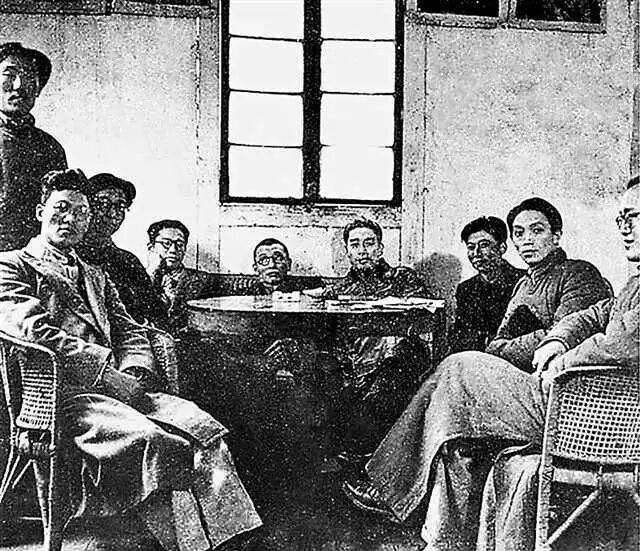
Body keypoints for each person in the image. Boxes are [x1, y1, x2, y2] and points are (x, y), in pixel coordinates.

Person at [0, 169, 262, 551]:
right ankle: (188, 545)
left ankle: (226, 540)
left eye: (81, 212)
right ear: (41, 211)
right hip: (58, 396)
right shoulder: (12, 265)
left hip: (118, 389)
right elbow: (35, 333)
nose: (70, 219)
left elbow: (129, 329)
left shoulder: (96, 275)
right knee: (156, 442)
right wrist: (107, 375)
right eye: (61, 208)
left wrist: (135, 369)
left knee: (205, 430)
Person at [342, 197, 613, 551]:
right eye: (519, 233)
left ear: (557, 235)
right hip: (515, 386)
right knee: (454, 435)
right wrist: (504, 348)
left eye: (537, 231)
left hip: (559, 396)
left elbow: (565, 336)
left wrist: (502, 350)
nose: (527, 240)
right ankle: (441, 540)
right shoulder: (524, 285)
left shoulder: (577, 273)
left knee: (456, 367)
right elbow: (502, 341)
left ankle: (385, 484)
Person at [321, 218, 432, 460]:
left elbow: (424, 318)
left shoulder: (403, 278)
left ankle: (367, 460)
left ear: (380, 249)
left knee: (390, 375)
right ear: (347, 251)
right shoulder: (338, 291)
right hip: (355, 364)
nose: (362, 251)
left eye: (369, 243)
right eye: (355, 245)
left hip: (395, 360)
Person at [76, 173, 168, 329]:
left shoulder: (127, 260)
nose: (112, 214)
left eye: (120, 206)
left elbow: (156, 313)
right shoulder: (68, 255)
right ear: (86, 206)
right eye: (104, 204)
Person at [0, 42, 67, 251]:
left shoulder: (50, 148)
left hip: (32, 260)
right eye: (9, 75)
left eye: (29, 77)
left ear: (38, 89)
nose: (19, 86)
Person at [448, 216, 524, 353]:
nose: (476, 253)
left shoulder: (523, 281)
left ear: (502, 248)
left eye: (484, 245)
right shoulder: (466, 289)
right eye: (471, 247)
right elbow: (460, 336)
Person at [147, 219, 218, 334]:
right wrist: (152, 272)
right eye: (166, 243)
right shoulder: (138, 278)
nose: (173, 250)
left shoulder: (201, 279)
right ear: (151, 247)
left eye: (179, 245)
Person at [251, 237, 323, 295]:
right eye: (264, 260)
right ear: (256, 268)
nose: (272, 265)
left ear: (288, 264)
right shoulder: (250, 290)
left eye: (278, 258)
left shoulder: (304, 286)